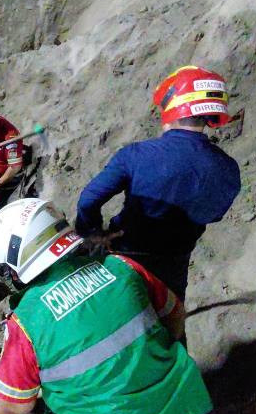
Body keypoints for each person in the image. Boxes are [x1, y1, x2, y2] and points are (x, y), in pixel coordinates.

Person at [0, 198, 212, 414]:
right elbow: (176, 316)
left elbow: (15, 405)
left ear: (14, 268)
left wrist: (3, 407)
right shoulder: (123, 266)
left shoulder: (27, 321)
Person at [75, 65, 241, 300]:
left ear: (172, 106)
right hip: (175, 261)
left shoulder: (136, 155)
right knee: (170, 321)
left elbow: (88, 200)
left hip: (127, 256)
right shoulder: (228, 168)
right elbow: (213, 214)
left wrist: (91, 233)